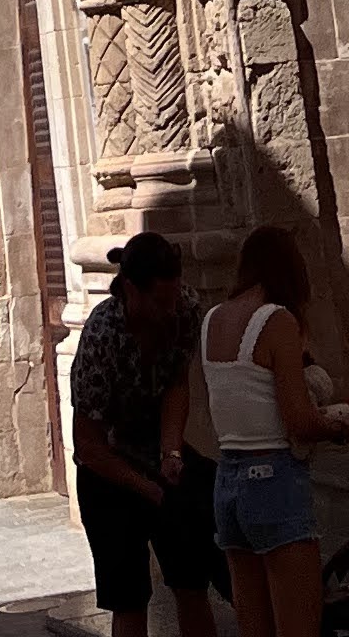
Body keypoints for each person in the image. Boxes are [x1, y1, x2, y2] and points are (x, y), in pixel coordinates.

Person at [199, 229, 349, 637]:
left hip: (228, 481)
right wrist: (340, 427)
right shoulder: (276, 320)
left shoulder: (212, 319)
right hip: (273, 478)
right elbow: (298, 421)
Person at [68, 230, 219, 637]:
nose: (169, 311)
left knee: (191, 582)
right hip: (107, 471)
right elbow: (88, 445)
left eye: (174, 299)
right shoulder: (102, 336)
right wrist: (145, 488)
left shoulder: (184, 310)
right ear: (131, 290)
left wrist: (172, 452)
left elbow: (176, 384)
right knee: (129, 599)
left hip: (154, 452)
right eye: (159, 302)